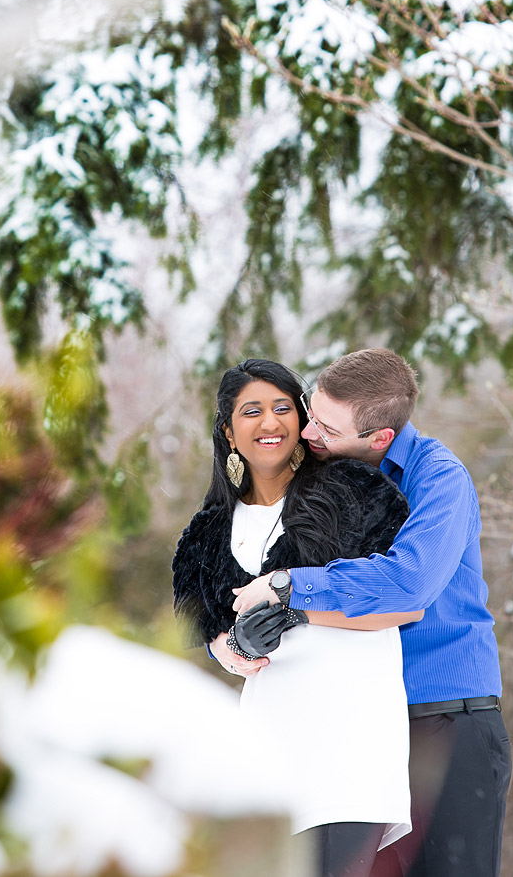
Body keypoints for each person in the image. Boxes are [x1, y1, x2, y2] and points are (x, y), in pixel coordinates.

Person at [233, 349, 511, 877]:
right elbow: (231, 566)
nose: (310, 433)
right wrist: (230, 642)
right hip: (355, 731)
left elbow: (410, 583)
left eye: (328, 429)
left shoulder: (438, 478)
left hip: (444, 720)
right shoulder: (316, 475)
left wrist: (290, 586)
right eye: (312, 414)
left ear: (379, 438)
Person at [172, 358, 423, 877]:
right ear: (228, 430)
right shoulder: (209, 530)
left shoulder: (356, 493)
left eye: (283, 407)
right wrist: (233, 650)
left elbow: (405, 604)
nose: (270, 423)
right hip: (267, 745)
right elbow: (205, 629)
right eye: (252, 411)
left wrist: (301, 610)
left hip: (349, 741)